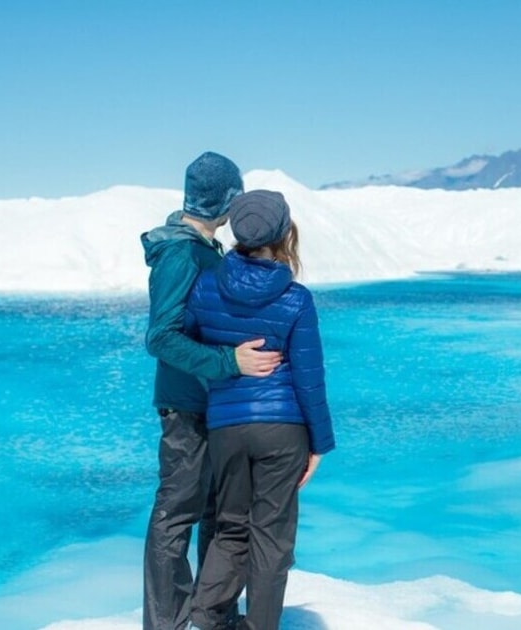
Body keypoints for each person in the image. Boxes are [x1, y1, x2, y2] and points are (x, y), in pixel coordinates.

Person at [141, 152, 283, 630]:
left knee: (214, 514)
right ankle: (167, 624)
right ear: (225, 199)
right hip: (186, 407)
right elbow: (160, 337)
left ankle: (210, 617)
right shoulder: (181, 252)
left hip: (211, 404)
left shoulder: (205, 248)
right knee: (176, 512)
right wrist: (229, 362)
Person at [184, 190, 336, 630]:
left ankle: (205, 618)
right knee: (271, 540)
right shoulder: (296, 298)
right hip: (283, 430)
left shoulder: (205, 286)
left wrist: (227, 361)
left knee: (231, 529)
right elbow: (310, 377)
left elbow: (192, 345)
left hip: (226, 428)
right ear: (285, 233)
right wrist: (319, 443)